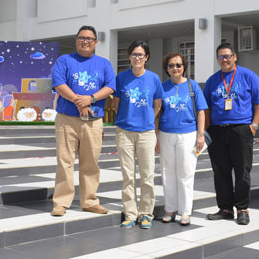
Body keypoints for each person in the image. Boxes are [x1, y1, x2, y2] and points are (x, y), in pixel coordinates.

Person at [50, 25, 116, 217]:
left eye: (89, 38)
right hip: (67, 119)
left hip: (93, 121)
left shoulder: (104, 64)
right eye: (82, 38)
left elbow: (111, 86)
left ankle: (89, 201)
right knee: (65, 162)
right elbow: (58, 84)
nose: (85, 41)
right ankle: (61, 202)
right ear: (76, 40)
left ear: (96, 42)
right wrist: (79, 101)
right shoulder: (64, 60)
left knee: (91, 163)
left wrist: (91, 99)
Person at [203, 42, 259, 225]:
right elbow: (205, 107)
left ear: (235, 57)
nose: (225, 60)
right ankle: (225, 208)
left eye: (228, 56)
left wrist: (253, 125)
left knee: (242, 170)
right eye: (221, 57)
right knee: (220, 171)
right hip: (217, 130)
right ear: (217, 59)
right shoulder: (212, 80)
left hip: (241, 129)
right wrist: (205, 130)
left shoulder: (248, 76)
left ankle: (242, 209)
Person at [113, 41, 163, 229]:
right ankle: (130, 213)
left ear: (147, 57)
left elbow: (157, 105)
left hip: (146, 132)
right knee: (128, 175)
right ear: (129, 56)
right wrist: (128, 118)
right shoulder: (121, 78)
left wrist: (147, 118)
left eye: (141, 55)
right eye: (134, 54)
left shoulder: (154, 78)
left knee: (147, 175)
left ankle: (146, 213)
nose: (137, 58)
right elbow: (116, 104)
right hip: (125, 131)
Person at [157, 52, 207, 226]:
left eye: (178, 65)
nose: (175, 68)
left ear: (184, 66)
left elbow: (201, 111)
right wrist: (156, 137)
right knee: (167, 173)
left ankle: (185, 211)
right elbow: (157, 113)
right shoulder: (162, 87)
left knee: (185, 173)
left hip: (188, 134)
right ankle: (170, 209)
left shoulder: (193, 86)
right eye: (171, 65)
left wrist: (200, 135)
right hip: (165, 134)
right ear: (167, 69)